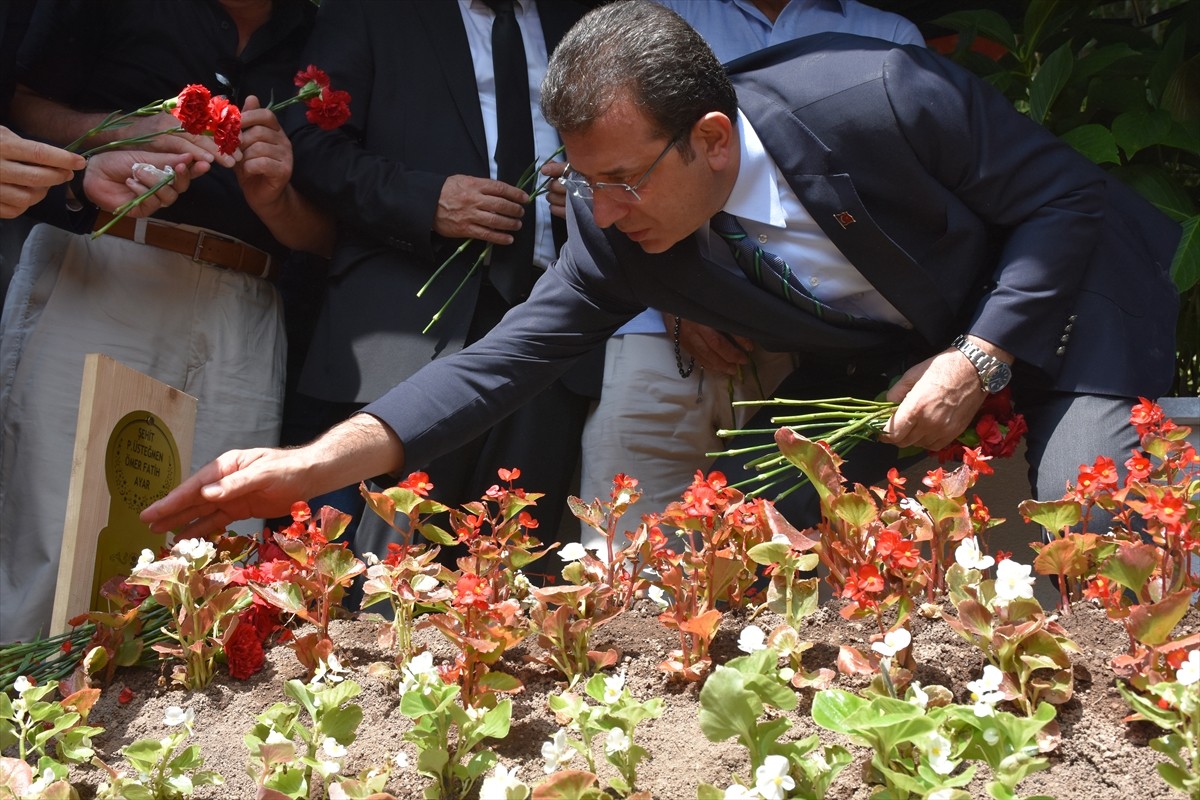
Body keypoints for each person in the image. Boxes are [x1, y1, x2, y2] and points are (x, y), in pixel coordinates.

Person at [143, 2, 1180, 562]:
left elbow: (1068, 202)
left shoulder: (882, 92)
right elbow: (490, 371)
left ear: (713, 140)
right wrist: (307, 463)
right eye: (584, 183)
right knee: (802, 555)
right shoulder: (619, 235)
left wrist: (980, 354)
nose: (604, 213)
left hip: (1075, 301)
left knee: (1095, 522)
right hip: (912, 352)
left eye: (625, 181)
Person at [0, 0, 331, 642]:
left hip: (250, 296)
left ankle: (168, 736)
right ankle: (19, 731)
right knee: (54, 538)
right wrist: (123, 130)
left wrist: (278, 196)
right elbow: (21, 104)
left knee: (211, 559)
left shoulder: (325, 31)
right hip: (110, 263)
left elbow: (332, 238)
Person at [578, 0, 926, 544]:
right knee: (629, 542)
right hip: (660, 332)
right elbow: (616, 171)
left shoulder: (885, 36)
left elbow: (904, 211)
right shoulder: (659, 16)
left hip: (810, 351)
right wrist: (679, 299)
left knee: (779, 545)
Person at [279, 0, 593, 556]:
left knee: (511, 570)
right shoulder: (378, 13)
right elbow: (310, 146)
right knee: (383, 577)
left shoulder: (583, 17)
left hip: (555, 322)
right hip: (408, 321)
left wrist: (597, 189)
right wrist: (427, 201)